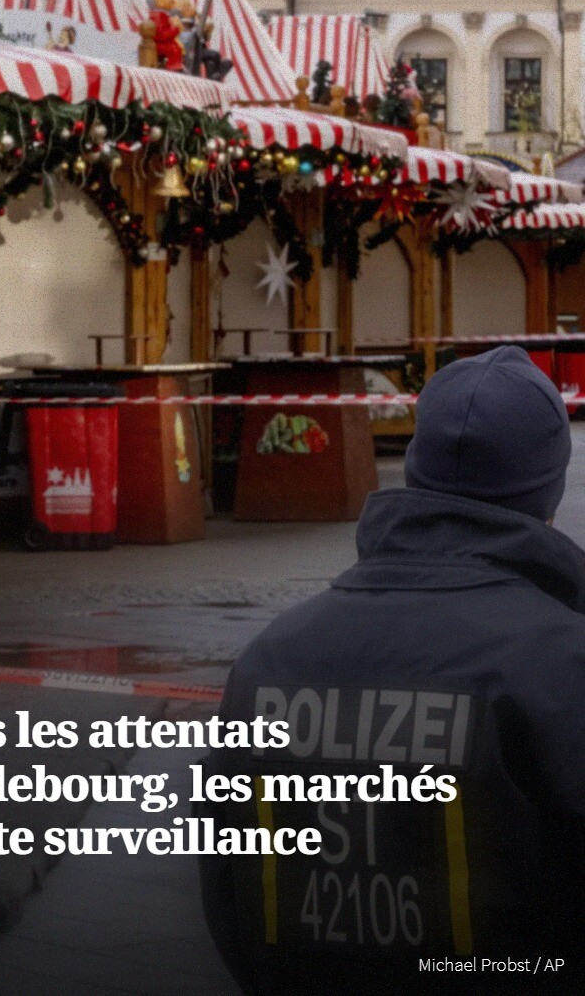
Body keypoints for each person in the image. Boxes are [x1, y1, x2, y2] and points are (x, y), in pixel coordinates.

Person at [201, 346, 585, 994]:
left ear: (417, 469)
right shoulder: (560, 666)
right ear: (547, 492)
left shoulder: (268, 661)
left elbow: (231, 902)